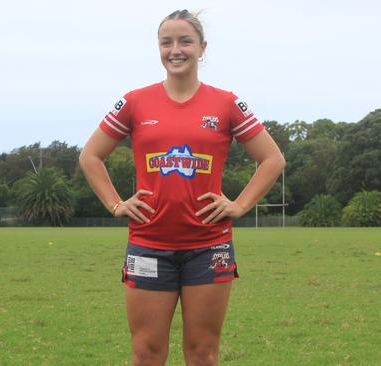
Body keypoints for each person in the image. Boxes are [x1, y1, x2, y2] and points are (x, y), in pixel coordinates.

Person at [79, 9, 285, 366]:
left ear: (202, 48)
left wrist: (238, 205)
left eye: (185, 41)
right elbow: (90, 156)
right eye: (167, 42)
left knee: (202, 353)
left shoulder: (225, 103)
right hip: (148, 246)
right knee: (146, 353)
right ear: (158, 48)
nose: (176, 49)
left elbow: (272, 159)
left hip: (209, 247)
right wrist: (116, 204)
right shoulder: (134, 102)